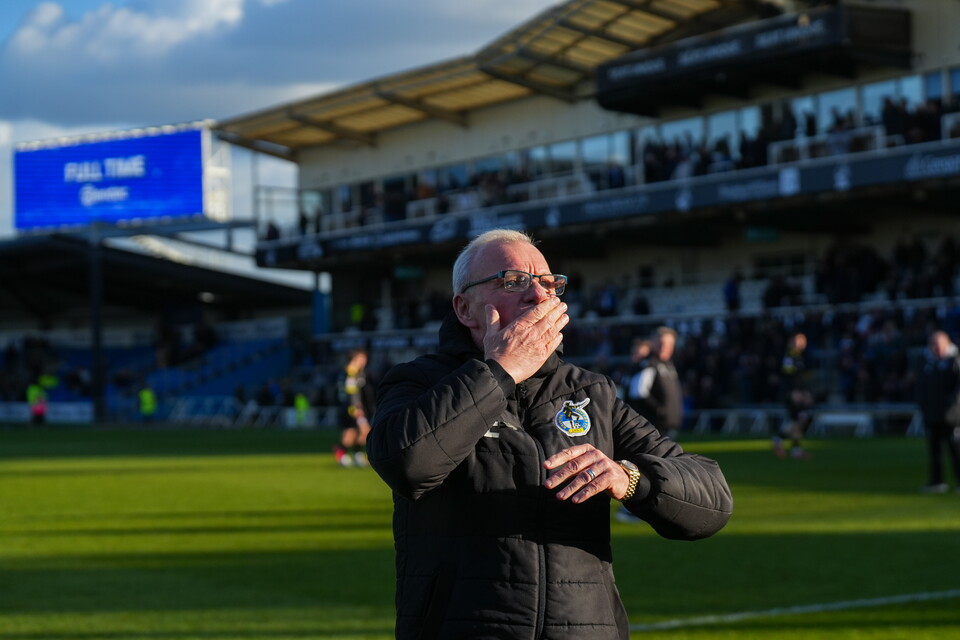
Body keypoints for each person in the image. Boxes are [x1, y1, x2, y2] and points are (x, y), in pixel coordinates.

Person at [368, 229, 733, 639]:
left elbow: (714, 501)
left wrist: (630, 478)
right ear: (465, 309)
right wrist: (501, 369)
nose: (539, 296)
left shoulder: (590, 391)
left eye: (547, 283)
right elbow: (409, 463)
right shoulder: (418, 382)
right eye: (513, 281)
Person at [916, 330, 960, 493]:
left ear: (947, 343)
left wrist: (952, 406)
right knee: (935, 450)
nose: (934, 348)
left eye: (937, 344)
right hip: (933, 414)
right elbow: (921, 387)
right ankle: (937, 481)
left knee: (956, 450)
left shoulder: (955, 361)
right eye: (932, 344)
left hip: (953, 416)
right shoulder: (928, 363)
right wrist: (924, 405)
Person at [626, 326, 682, 439]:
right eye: (661, 343)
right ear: (653, 343)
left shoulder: (669, 365)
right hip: (654, 428)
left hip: (667, 426)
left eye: (669, 344)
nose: (664, 347)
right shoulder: (649, 365)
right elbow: (638, 392)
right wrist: (658, 410)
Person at [774, 332, 816, 459]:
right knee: (799, 419)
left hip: (798, 392)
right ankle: (790, 446)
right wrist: (794, 392)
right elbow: (788, 376)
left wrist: (804, 392)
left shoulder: (799, 357)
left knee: (798, 420)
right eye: (800, 340)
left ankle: (782, 442)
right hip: (792, 393)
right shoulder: (789, 356)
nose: (802, 343)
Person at [334, 349, 374, 467]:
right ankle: (348, 452)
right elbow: (352, 392)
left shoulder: (352, 372)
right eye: (362, 358)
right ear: (354, 359)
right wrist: (355, 408)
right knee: (365, 431)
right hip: (353, 408)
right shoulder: (352, 372)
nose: (364, 361)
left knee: (351, 433)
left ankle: (348, 454)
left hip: (349, 407)